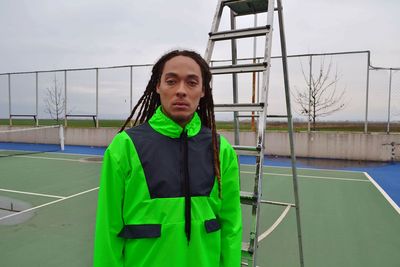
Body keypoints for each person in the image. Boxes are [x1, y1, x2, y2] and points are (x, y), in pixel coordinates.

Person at [93, 49, 242, 267]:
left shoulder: (221, 150)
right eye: (171, 81)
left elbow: (231, 227)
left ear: (203, 91)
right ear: (158, 86)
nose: (181, 90)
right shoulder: (125, 147)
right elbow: (108, 230)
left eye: (191, 83)